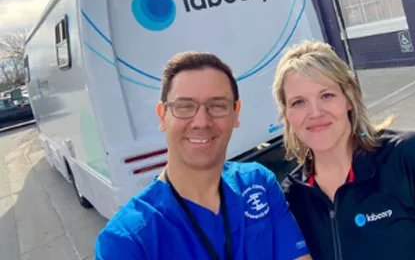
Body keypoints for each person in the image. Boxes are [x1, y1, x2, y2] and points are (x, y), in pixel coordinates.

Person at [272, 40, 415, 260]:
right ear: (286, 114)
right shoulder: (290, 197)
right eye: (298, 102)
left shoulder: (406, 156)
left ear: (349, 98)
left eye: (326, 95)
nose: (315, 112)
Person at [96, 51, 311, 260]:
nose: (201, 122)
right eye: (185, 106)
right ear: (163, 116)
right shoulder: (128, 240)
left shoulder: (258, 183)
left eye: (217, 106)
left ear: (235, 114)